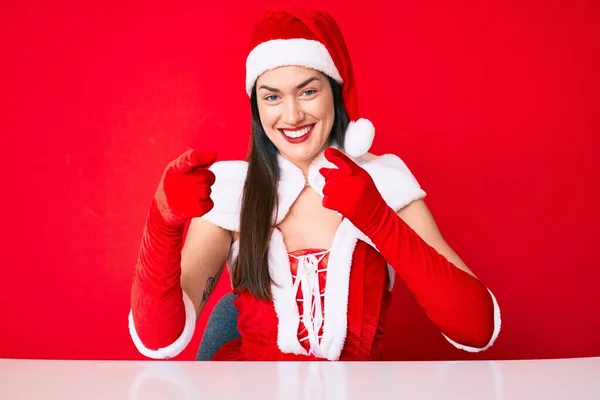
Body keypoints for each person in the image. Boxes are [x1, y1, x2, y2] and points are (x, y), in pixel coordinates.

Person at [128, 7, 501, 361]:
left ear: (335, 93)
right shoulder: (232, 191)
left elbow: (477, 328)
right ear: (257, 107)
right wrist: (163, 222)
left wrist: (378, 219)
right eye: (272, 96)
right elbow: (160, 340)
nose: (291, 115)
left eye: (308, 91)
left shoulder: (384, 182)